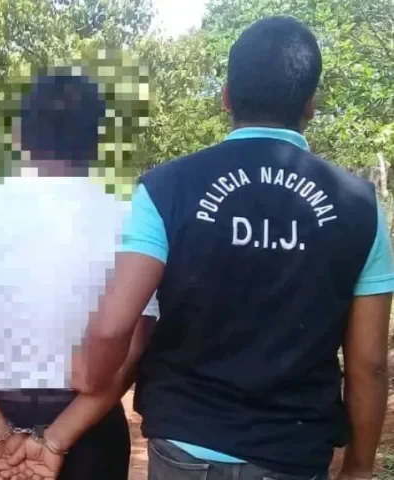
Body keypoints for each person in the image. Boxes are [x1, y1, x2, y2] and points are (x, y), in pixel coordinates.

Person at [73, 16, 394, 480]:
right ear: (311, 103)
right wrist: (360, 467)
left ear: (225, 96)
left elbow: (112, 327)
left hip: (186, 445)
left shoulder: (166, 188)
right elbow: (369, 364)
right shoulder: (360, 207)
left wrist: (90, 381)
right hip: (292, 453)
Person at [0, 71, 158, 480]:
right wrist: (57, 439)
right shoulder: (133, 220)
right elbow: (135, 343)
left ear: (18, 134)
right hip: (91, 429)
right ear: (99, 139)